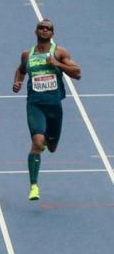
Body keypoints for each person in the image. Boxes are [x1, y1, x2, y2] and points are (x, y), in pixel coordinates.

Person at [12, 19, 81, 200]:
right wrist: (17, 81)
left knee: (51, 147)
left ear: (52, 33)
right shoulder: (27, 55)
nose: (44, 30)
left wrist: (57, 64)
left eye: (48, 29)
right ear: (35, 31)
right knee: (37, 142)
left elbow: (77, 73)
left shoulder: (59, 52)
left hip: (54, 108)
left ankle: (46, 142)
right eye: (41, 28)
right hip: (35, 105)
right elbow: (20, 70)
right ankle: (34, 186)